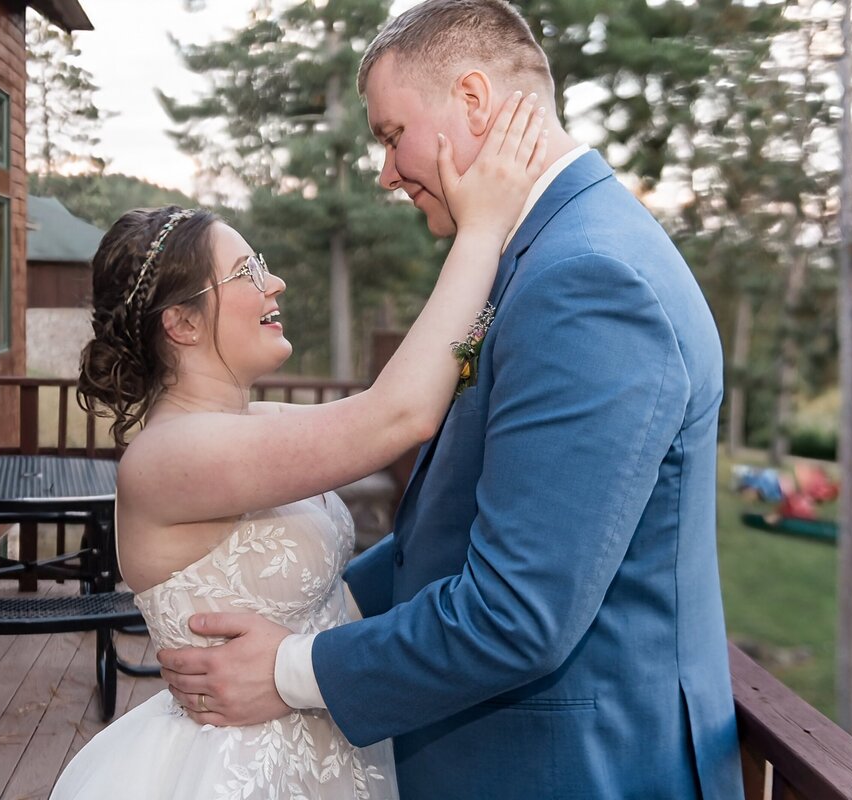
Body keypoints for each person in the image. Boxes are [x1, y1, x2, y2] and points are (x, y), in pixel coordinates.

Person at [156, 2, 746, 799]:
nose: (386, 172)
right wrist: (302, 614)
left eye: (392, 135)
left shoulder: (587, 281)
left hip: (572, 770)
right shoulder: (547, 256)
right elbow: (452, 527)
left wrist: (291, 670)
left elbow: (517, 614)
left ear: (472, 101)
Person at [49, 94, 548, 799]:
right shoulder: (168, 459)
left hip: (326, 747)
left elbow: (404, 403)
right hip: (238, 770)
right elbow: (398, 414)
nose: (274, 282)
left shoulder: (259, 423)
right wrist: (483, 227)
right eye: (248, 273)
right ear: (183, 323)